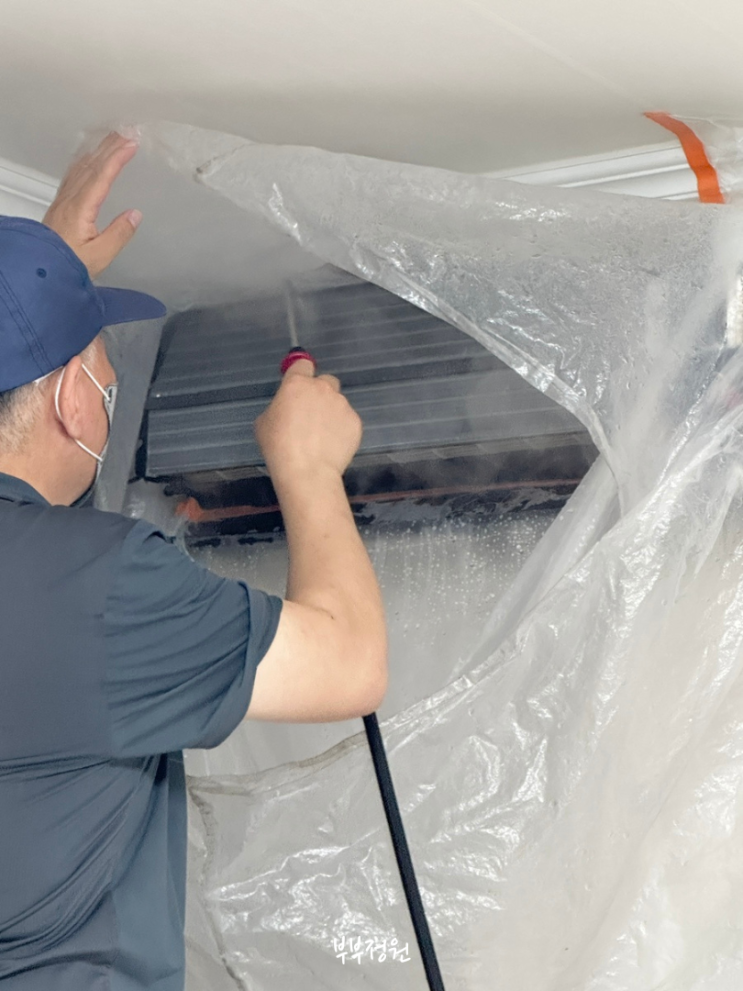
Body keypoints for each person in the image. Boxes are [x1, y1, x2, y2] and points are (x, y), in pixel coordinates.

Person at [0, 132, 387, 990]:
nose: (110, 377)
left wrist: (36, 283)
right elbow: (349, 661)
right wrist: (309, 467)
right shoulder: (99, 587)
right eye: (102, 360)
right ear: (72, 398)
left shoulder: (63, 583)